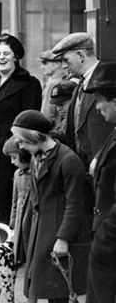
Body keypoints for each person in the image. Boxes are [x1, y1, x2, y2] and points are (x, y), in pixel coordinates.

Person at [11, 110, 90, 303]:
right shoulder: (39, 156)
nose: (21, 146)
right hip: (41, 228)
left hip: (59, 231)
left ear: (35, 136)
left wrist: (63, 238)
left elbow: (76, 204)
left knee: (67, 286)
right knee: (49, 285)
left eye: (23, 140)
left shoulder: (68, 160)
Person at [0, 33, 42, 224]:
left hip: (13, 143)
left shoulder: (29, 83)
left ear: (15, 56)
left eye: (6, 53)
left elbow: (30, 118)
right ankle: (4, 242)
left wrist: (18, 142)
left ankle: (13, 243)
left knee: (8, 197)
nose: (1, 57)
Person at [52, 32, 116, 225]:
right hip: (85, 175)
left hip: (106, 174)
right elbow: (74, 129)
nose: (64, 66)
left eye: (65, 60)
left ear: (80, 55)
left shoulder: (107, 80)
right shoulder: (80, 85)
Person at [80, 63, 116, 303]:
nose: (99, 107)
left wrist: (106, 234)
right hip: (105, 240)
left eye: (102, 99)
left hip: (110, 243)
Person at [3, 136, 54, 303]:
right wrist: (12, 224)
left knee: (41, 269)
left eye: (15, 157)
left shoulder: (37, 172)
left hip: (35, 224)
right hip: (22, 226)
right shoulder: (18, 174)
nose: (13, 162)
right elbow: (15, 201)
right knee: (29, 270)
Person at [38, 49, 65, 127]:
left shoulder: (52, 84)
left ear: (57, 64)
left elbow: (47, 114)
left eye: (45, 63)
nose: (42, 67)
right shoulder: (64, 80)